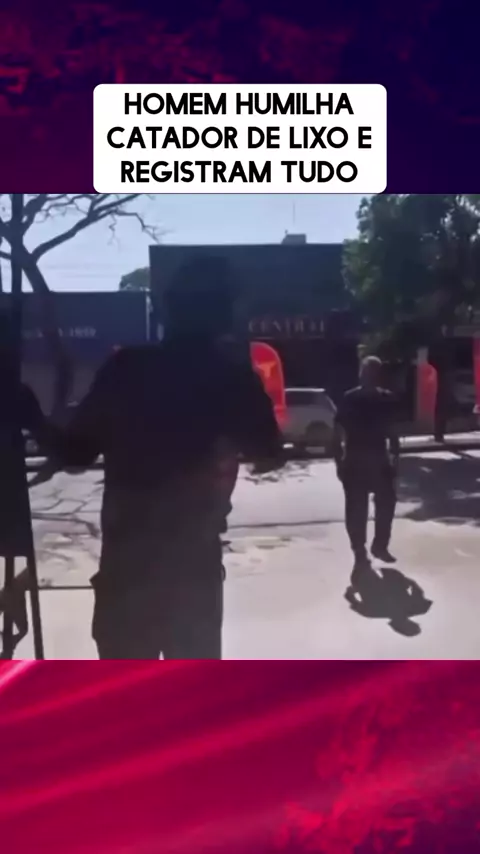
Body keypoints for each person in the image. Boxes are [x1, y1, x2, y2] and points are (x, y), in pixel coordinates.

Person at [33, 258, 284, 659]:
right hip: (192, 575)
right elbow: (269, 452)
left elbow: (74, 452)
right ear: (224, 314)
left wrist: (31, 415)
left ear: (168, 311)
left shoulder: (126, 369)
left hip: (127, 571)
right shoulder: (230, 377)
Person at [333, 355, 400, 573]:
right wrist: (338, 460)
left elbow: (392, 431)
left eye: (374, 372)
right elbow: (337, 431)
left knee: (382, 503)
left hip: (374, 458)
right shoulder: (351, 398)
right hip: (358, 458)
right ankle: (362, 549)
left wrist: (395, 458)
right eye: (369, 372)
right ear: (362, 375)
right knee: (358, 507)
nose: (370, 376)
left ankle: (376, 546)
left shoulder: (385, 399)